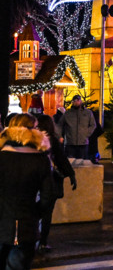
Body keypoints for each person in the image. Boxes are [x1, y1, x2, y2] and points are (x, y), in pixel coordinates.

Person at [0, 114, 55, 270]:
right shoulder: (41, 160)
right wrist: (36, 212)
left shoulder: (2, 157)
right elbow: (48, 196)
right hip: (25, 224)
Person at [35, 113, 76, 252]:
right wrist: (71, 175)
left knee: (36, 212)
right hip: (50, 182)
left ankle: (33, 239)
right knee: (46, 213)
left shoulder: (32, 140)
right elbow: (62, 159)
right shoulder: (52, 141)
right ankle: (42, 242)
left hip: (35, 182)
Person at [58, 94, 96, 160]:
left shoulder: (88, 113)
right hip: (70, 143)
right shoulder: (67, 113)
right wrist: (60, 136)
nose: (76, 102)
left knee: (82, 162)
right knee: (71, 161)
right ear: (72, 102)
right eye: (74, 101)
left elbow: (93, 125)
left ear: (81, 101)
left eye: (78, 100)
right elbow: (60, 125)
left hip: (83, 142)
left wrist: (87, 134)